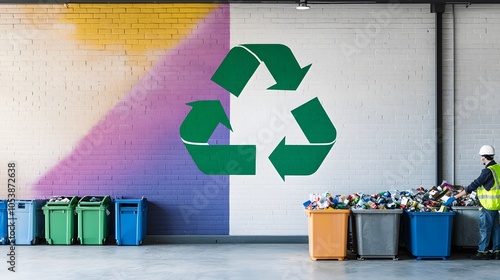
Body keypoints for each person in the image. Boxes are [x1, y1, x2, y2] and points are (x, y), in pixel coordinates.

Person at [444, 144, 500, 260]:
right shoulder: (498, 168)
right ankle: (497, 251)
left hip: (488, 205)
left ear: (484, 157)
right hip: (497, 205)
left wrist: (455, 197)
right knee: (496, 228)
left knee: (485, 229)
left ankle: (483, 252)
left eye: (481, 157)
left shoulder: (487, 171)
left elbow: (472, 186)